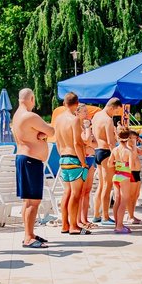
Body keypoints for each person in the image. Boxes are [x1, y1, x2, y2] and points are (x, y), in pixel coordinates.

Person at [11, 88, 55, 248]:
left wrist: (40, 134)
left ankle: (28, 233)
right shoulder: (29, 116)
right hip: (31, 160)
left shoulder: (16, 116)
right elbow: (51, 130)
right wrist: (43, 133)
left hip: (25, 158)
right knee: (33, 201)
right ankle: (28, 237)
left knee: (28, 201)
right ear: (31, 98)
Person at [52, 92, 89, 235]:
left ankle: (65, 225)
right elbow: (77, 143)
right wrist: (83, 162)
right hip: (74, 159)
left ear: (64, 104)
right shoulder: (73, 120)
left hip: (63, 159)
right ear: (77, 103)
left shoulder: (58, 120)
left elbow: (56, 142)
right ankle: (74, 226)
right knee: (76, 193)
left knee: (67, 192)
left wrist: (62, 156)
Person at [91, 98, 121, 225]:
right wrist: (117, 157)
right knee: (107, 186)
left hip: (97, 151)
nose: (115, 114)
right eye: (116, 111)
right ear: (111, 107)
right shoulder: (108, 120)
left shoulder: (96, 116)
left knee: (101, 185)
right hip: (106, 152)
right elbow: (111, 142)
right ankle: (105, 216)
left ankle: (96, 214)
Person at [110, 127, 139, 234]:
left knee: (117, 201)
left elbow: (109, 164)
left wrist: (118, 164)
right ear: (128, 138)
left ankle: (117, 224)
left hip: (116, 176)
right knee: (123, 202)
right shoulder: (128, 151)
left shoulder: (114, 150)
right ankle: (119, 226)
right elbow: (131, 167)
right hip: (125, 177)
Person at [77, 104, 98, 231]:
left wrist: (89, 144)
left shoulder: (87, 128)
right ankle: (79, 219)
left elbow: (95, 144)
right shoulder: (79, 127)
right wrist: (87, 129)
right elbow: (87, 141)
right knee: (81, 192)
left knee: (87, 191)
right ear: (77, 113)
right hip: (83, 160)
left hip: (90, 158)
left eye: (87, 112)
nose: (87, 114)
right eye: (84, 112)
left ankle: (85, 219)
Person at [126, 130, 142, 225]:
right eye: (133, 138)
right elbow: (133, 157)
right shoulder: (128, 149)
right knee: (131, 196)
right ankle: (130, 216)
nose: (135, 140)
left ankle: (132, 214)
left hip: (137, 172)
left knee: (136, 195)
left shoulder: (134, 148)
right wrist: (134, 144)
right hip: (132, 172)